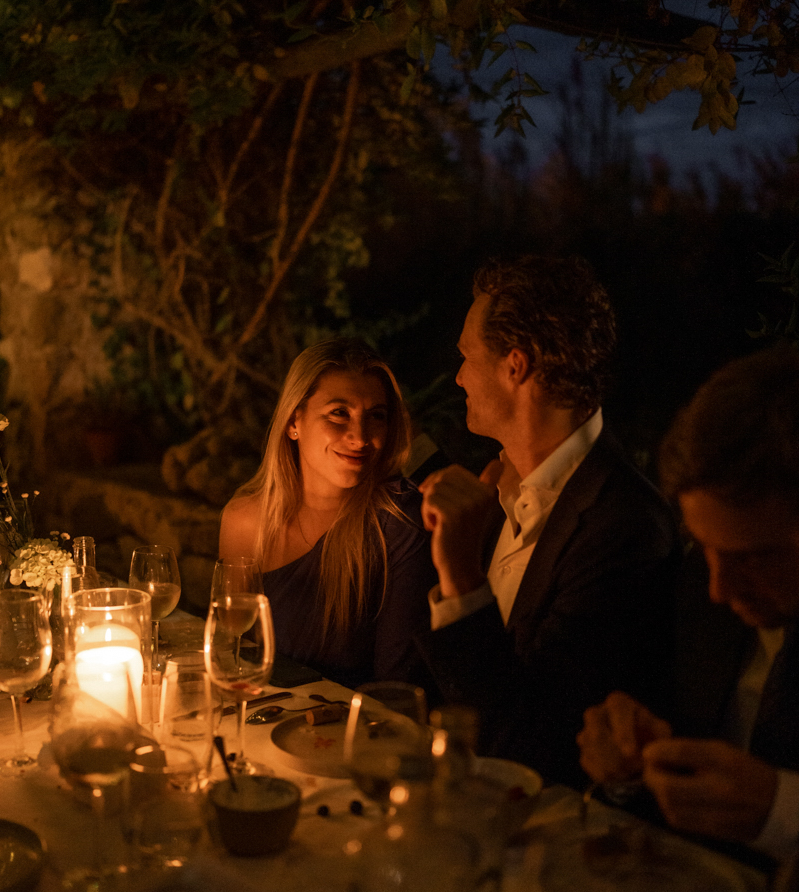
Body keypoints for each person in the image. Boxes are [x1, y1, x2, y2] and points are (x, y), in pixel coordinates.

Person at [416, 255, 681, 786]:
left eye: (467, 357)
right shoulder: (501, 490)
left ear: (515, 366)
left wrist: (463, 581)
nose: (459, 376)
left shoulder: (625, 525)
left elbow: (538, 737)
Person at [578, 345, 799, 860]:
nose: (720, 589)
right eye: (705, 547)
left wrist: (781, 809)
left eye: (752, 557)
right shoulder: (702, 590)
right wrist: (627, 768)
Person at [219, 338, 436, 688]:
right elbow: (230, 653)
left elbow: (399, 687)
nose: (360, 438)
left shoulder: (399, 522)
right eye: (339, 413)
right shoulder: (245, 521)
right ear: (294, 421)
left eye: (376, 416)